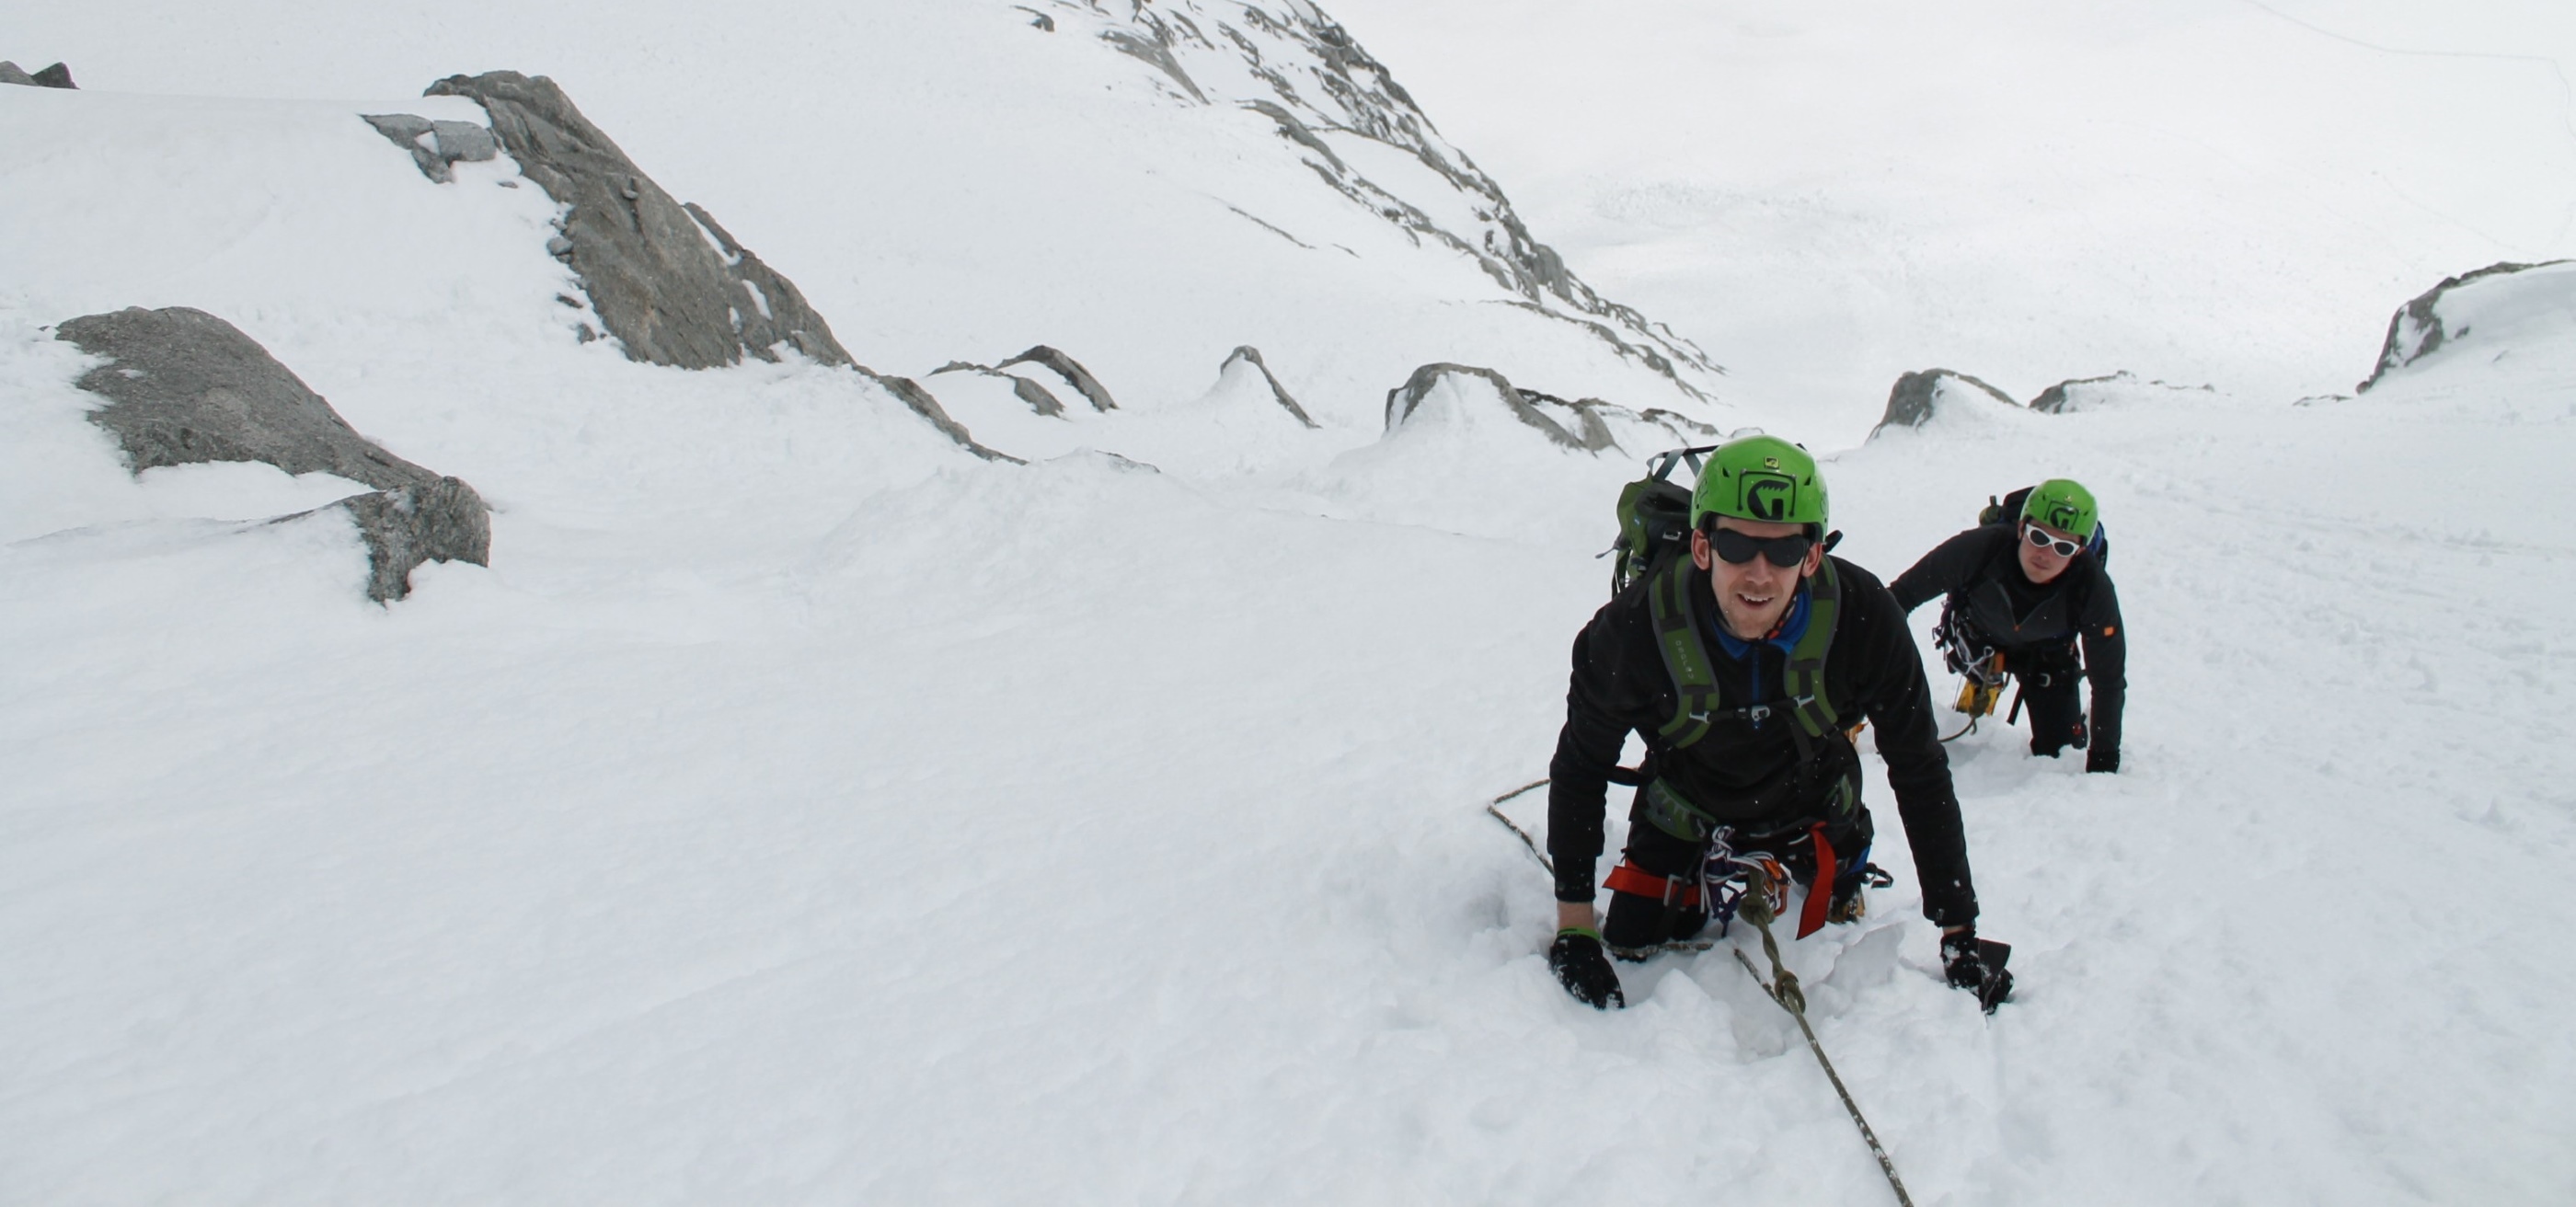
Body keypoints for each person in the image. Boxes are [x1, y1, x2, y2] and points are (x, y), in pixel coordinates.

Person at [1544, 435, 2009, 1012]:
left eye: (1785, 551)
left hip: (1812, 804)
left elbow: (1919, 767)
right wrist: (1575, 926)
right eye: (1738, 544)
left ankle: (1833, 869)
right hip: (1687, 805)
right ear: (1703, 545)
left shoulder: (1864, 619)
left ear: (1813, 557)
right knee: (1636, 936)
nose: (1760, 575)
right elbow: (1581, 766)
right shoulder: (1633, 632)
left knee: (1833, 886)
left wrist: (1959, 932)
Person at [1891, 479, 2123, 772]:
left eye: (2063, 547)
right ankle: (1986, 675)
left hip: (2048, 659)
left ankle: (2075, 723)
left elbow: (2108, 681)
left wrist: (2103, 761)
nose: (2046, 554)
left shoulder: (2092, 588)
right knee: (1981, 651)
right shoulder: (1981, 547)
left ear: (2079, 552)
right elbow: (1898, 599)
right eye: (2039, 537)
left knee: (2056, 753)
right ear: (2021, 528)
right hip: (1978, 637)